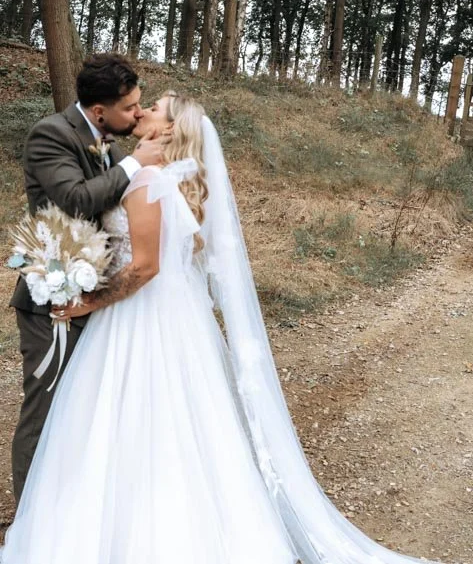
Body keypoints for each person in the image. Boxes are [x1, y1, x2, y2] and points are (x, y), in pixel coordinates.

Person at [1, 92, 437, 564]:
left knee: (127, 418)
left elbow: (145, 268)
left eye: (154, 109)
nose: (142, 112)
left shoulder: (148, 180)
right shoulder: (177, 181)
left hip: (136, 319)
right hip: (169, 318)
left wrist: (90, 301)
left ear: (169, 130)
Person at [8, 53, 168, 505]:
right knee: (46, 410)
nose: (138, 113)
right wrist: (135, 165)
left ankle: (70, 511)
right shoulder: (52, 135)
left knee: (82, 413)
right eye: (130, 107)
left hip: (97, 298)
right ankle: (29, 522)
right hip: (54, 301)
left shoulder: (111, 147)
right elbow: (74, 201)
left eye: (141, 104)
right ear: (99, 111)